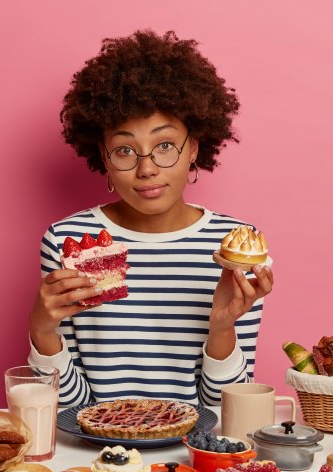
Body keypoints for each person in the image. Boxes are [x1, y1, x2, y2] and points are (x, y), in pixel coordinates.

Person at [27, 30, 273, 406]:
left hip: (194, 457)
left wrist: (222, 329)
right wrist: (42, 329)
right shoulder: (67, 240)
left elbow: (223, 410)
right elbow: (70, 409)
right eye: (125, 150)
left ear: (193, 148)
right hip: (97, 455)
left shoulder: (235, 246)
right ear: (104, 157)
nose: (147, 169)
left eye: (164, 146)